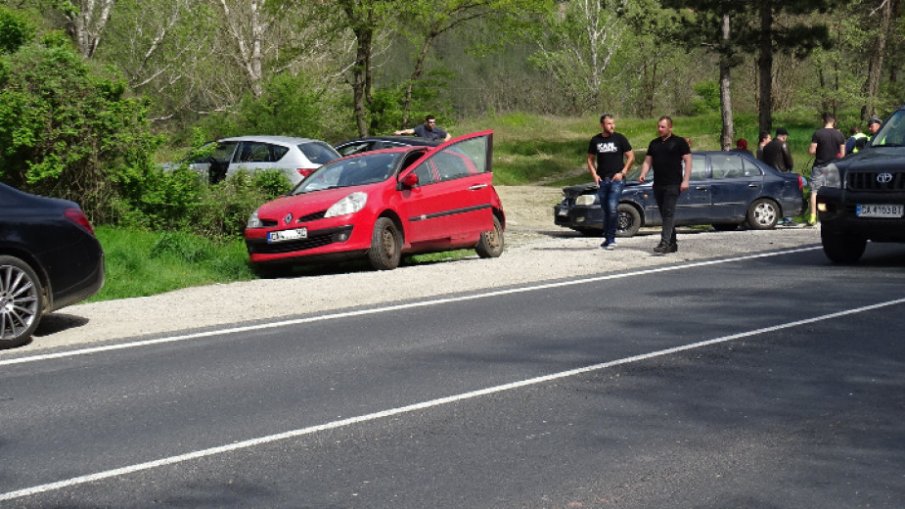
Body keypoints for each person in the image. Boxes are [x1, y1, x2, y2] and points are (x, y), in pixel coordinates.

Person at [638, 116, 692, 255]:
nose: (660, 129)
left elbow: (688, 161)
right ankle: (672, 244)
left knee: (668, 212)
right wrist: (643, 173)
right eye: (659, 126)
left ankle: (664, 243)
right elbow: (647, 161)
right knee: (665, 214)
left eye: (663, 127)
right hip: (658, 184)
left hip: (673, 184)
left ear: (670, 128)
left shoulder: (679, 142)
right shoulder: (654, 143)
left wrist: (686, 180)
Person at [587, 113, 635, 250]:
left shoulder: (620, 138)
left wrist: (623, 172)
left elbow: (631, 157)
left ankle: (612, 239)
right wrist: (594, 175)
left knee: (612, 207)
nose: (612, 126)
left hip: (617, 180)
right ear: (602, 125)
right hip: (602, 180)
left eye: (613, 123)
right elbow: (590, 159)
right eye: (609, 123)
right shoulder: (595, 140)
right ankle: (607, 238)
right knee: (607, 209)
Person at [807, 112, 846, 226]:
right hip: (833, 167)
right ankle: (831, 215)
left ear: (823, 121)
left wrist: (813, 151)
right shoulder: (840, 135)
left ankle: (813, 217)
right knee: (832, 192)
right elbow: (843, 154)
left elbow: (812, 151)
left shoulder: (818, 134)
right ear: (833, 121)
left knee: (815, 191)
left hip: (819, 166)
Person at [762, 128, 796, 226]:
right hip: (783, 173)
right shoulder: (783, 144)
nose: (786, 138)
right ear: (783, 135)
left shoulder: (766, 147)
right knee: (787, 195)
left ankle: (774, 217)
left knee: (774, 196)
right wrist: (789, 169)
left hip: (770, 174)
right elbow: (789, 160)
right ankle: (788, 219)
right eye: (786, 136)